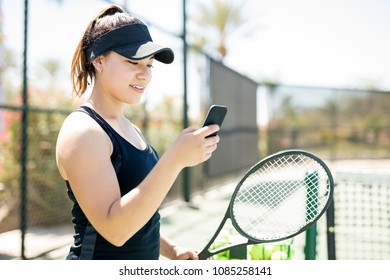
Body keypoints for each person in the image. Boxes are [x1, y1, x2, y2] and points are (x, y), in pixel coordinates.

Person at [55, 5, 220, 260]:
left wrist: (171, 250)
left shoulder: (128, 128)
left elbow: (139, 211)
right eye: (132, 62)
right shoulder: (83, 132)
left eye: (149, 65)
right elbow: (115, 230)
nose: (144, 74)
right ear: (98, 60)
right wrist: (174, 160)